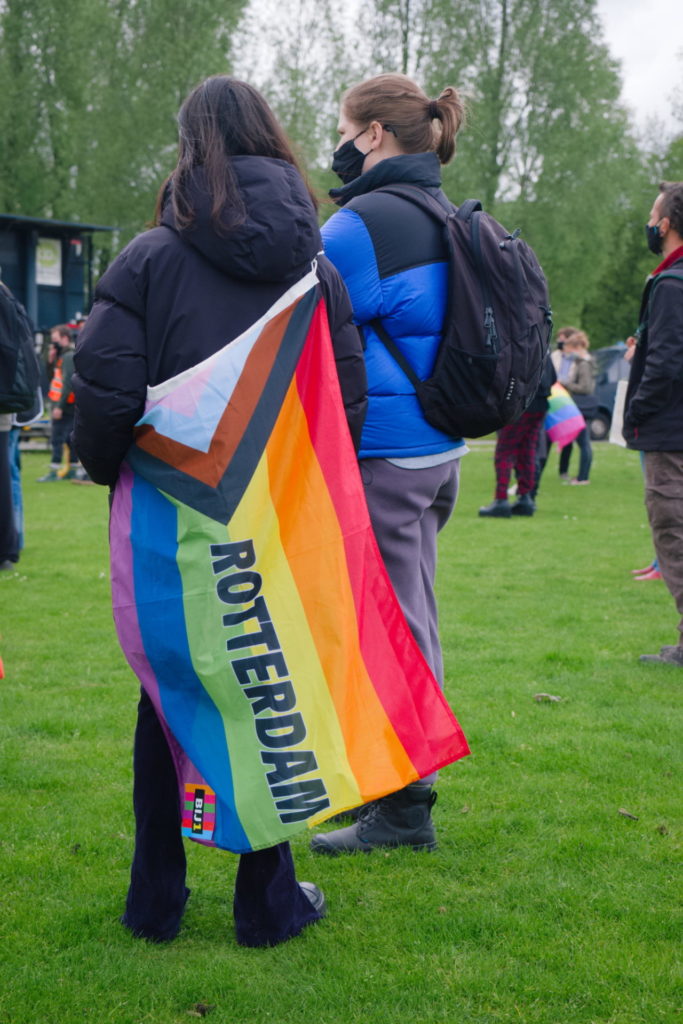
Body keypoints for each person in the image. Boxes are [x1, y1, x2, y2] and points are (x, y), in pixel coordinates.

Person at [72, 75, 367, 945]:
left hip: (172, 510)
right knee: (269, 684)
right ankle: (266, 902)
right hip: (275, 516)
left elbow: (104, 386)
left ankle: (155, 901)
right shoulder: (316, 270)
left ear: (186, 144)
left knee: (167, 694)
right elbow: (344, 398)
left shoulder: (151, 259)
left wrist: (106, 473)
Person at [308, 73, 468, 856]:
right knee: (410, 615)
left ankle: (405, 809)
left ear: (373, 134)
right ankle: (381, 785)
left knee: (390, 629)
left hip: (386, 456)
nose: (335, 142)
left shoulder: (363, 222)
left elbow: (303, 316)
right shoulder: (443, 211)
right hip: (437, 449)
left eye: (342, 127)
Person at [623, 181, 683, 665]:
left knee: (673, 534)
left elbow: (666, 363)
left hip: (671, 433)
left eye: (652, 215)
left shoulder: (670, 284)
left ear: (665, 225)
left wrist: (638, 410)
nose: (648, 222)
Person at [479, 354, 556, 518]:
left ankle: (501, 499)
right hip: (539, 402)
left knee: (505, 452)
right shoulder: (541, 342)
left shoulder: (516, 344)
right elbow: (553, 378)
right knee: (527, 450)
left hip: (517, 404)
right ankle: (525, 496)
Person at [552, 329, 595, 484]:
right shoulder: (583, 362)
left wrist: (566, 384)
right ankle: (582, 476)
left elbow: (586, 387)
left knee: (584, 443)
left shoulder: (583, 364)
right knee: (583, 442)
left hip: (581, 406)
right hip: (579, 405)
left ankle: (583, 477)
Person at [38, 324, 79, 482]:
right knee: (69, 438)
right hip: (65, 404)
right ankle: (73, 470)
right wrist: (50, 360)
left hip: (64, 405)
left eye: (55, 340)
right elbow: (53, 379)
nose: (53, 344)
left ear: (65, 338)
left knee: (57, 438)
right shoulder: (62, 356)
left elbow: (67, 383)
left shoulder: (68, 356)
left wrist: (59, 407)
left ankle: (54, 471)